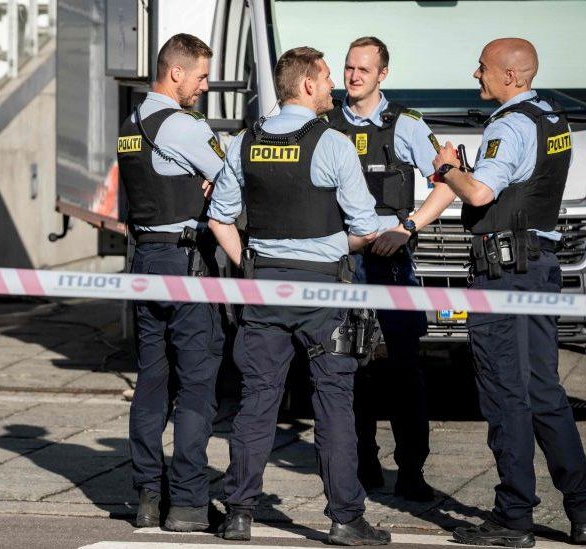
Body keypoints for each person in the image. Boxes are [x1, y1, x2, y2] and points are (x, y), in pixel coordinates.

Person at [208, 46, 391, 545]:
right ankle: (345, 518)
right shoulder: (333, 144)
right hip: (322, 289)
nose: (334, 85)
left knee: (257, 400)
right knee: (334, 402)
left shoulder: (247, 142)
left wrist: (249, 262)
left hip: (264, 286)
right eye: (328, 77)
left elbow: (220, 218)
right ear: (307, 84)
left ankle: (240, 512)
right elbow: (366, 228)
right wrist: (331, 246)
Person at [431, 38, 586, 547]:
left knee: (506, 394)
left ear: (510, 76)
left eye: (482, 68)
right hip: (540, 268)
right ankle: (584, 511)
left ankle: (513, 519)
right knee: (545, 392)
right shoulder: (554, 118)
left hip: (504, 275)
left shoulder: (509, 124)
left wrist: (447, 169)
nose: (475, 74)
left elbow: (481, 193)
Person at [325, 36, 458, 501]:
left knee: (405, 369)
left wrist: (408, 226)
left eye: (364, 69)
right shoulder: (326, 123)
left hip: (392, 261)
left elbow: (447, 186)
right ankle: (362, 462)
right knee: (349, 366)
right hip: (345, 261)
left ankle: (412, 471)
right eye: (348, 68)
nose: (354, 76)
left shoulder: (406, 124)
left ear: (383, 74)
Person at [117, 33, 226, 532]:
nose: (204, 85)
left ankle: (146, 494)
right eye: (200, 76)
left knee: (151, 383)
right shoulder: (179, 126)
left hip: (145, 261)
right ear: (175, 72)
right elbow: (232, 178)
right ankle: (186, 502)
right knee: (197, 386)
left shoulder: (131, 124)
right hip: (186, 264)